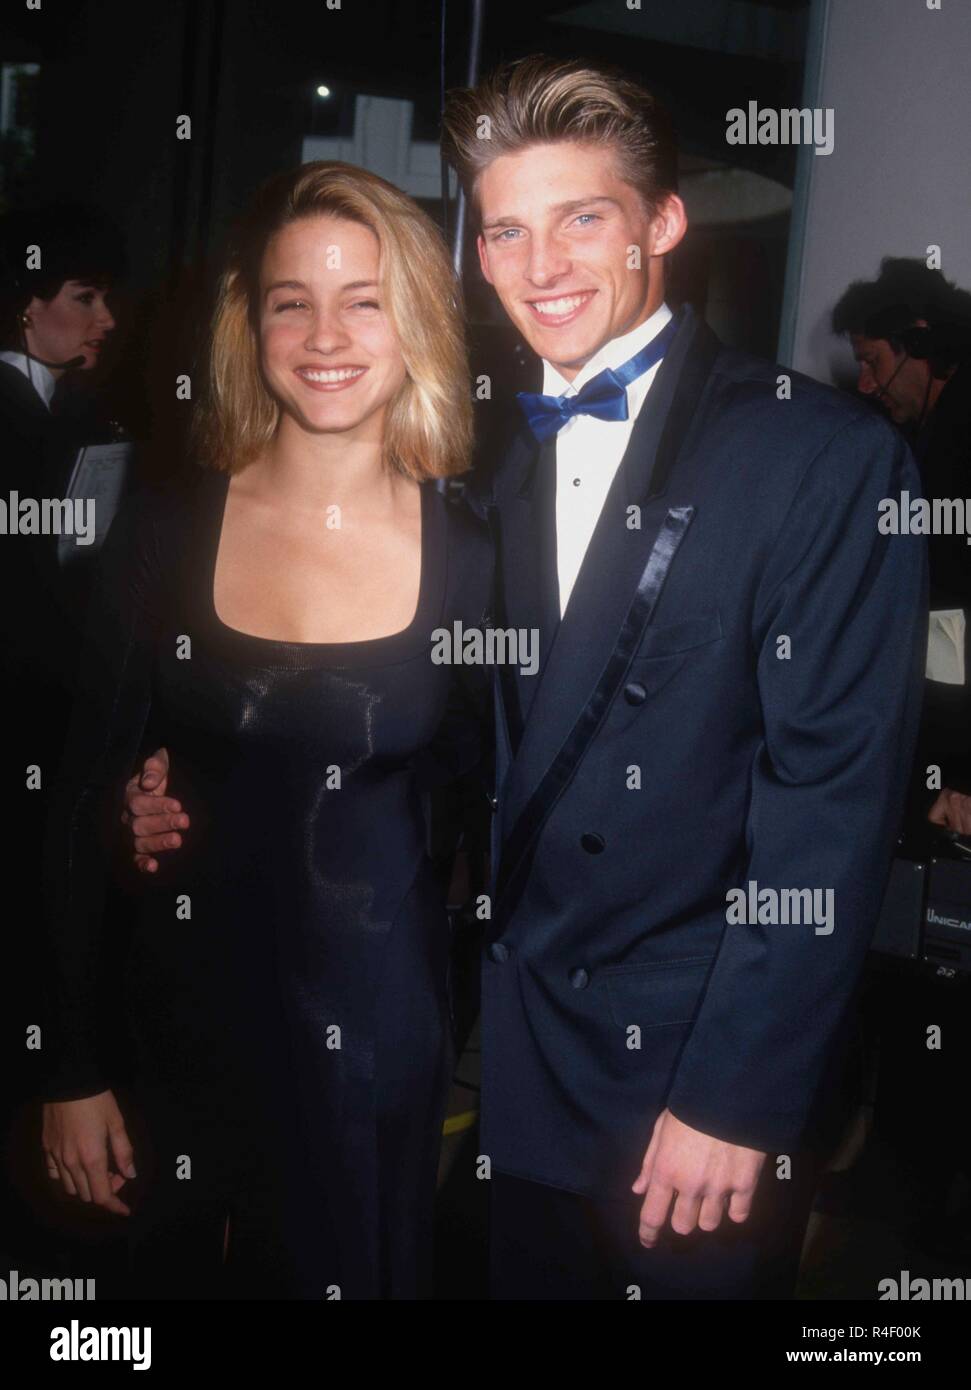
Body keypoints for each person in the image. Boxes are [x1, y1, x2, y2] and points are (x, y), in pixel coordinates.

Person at [125, 57, 927, 1301]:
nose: (539, 265)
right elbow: (425, 719)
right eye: (505, 229)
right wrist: (197, 776)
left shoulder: (815, 453)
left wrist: (738, 1093)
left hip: (689, 1077)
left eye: (581, 219)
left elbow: (829, 805)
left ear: (662, 225)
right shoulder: (465, 441)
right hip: (502, 1057)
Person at [40, 161, 490, 1300]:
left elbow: (518, 808)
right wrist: (65, 1062)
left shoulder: (485, 554)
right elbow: (63, 797)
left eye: (364, 298)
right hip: (165, 1052)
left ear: (418, 323)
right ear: (253, 323)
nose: (325, 332)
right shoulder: (163, 524)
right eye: (293, 298)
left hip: (371, 1066)